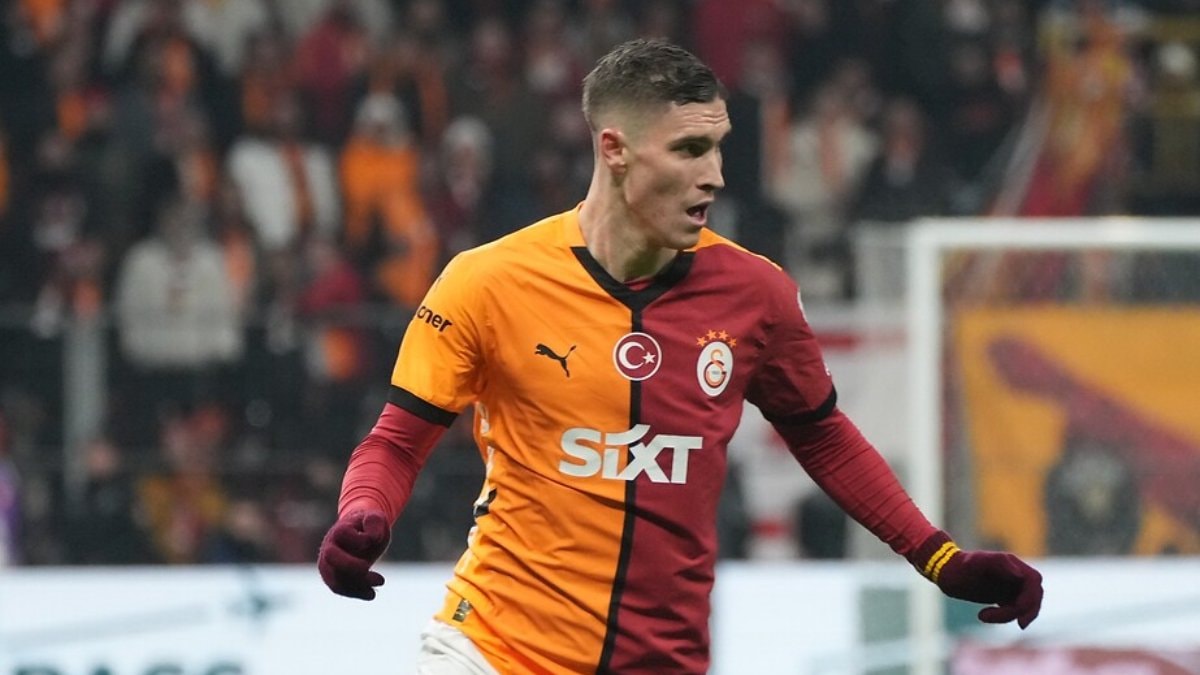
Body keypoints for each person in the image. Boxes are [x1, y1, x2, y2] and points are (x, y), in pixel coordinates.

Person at [317, 38, 1043, 675]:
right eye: (690, 150)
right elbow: (397, 441)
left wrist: (938, 557)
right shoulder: (487, 282)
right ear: (615, 149)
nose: (716, 175)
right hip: (494, 650)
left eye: (718, 147)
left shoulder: (757, 295)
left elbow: (822, 434)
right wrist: (364, 514)